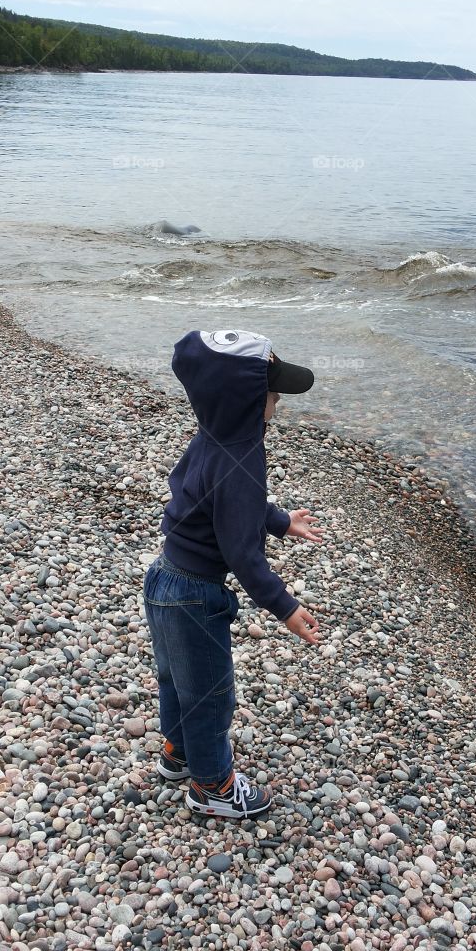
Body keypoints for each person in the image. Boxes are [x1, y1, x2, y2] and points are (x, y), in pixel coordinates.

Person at [143, 329, 323, 819]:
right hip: (195, 597)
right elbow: (243, 554)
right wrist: (285, 606)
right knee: (210, 692)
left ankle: (178, 754)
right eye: (271, 392)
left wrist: (281, 521)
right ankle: (213, 787)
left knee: (176, 678)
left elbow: (220, 498)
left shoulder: (210, 439)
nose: (279, 399)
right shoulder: (243, 454)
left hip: (163, 577)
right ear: (244, 400)